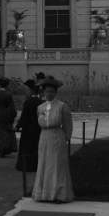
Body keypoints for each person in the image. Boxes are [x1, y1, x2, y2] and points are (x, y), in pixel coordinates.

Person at [32, 75, 74, 203]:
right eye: (47, 91)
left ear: (56, 92)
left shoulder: (62, 106)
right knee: (44, 164)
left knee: (57, 165)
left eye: (51, 91)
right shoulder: (40, 108)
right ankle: (43, 194)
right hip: (44, 138)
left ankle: (59, 193)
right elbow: (39, 122)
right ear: (43, 92)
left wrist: (66, 137)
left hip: (57, 137)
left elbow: (68, 124)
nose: (49, 94)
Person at [16, 78, 43, 177]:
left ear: (31, 90)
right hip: (38, 128)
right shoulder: (40, 101)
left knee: (27, 148)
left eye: (27, 89)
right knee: (36, 147)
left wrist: (18, 126)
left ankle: (27, 165)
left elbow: (24, 116)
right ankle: (36, 165)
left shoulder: (29, 102)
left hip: (28, 129)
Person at [0, 77, 17, 158]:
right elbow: (11, 106)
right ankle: (7, 147)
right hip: (6, 113)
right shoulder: (8, 94)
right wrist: (13, 114)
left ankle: (1, 148)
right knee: (7, 131)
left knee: (0, 131)